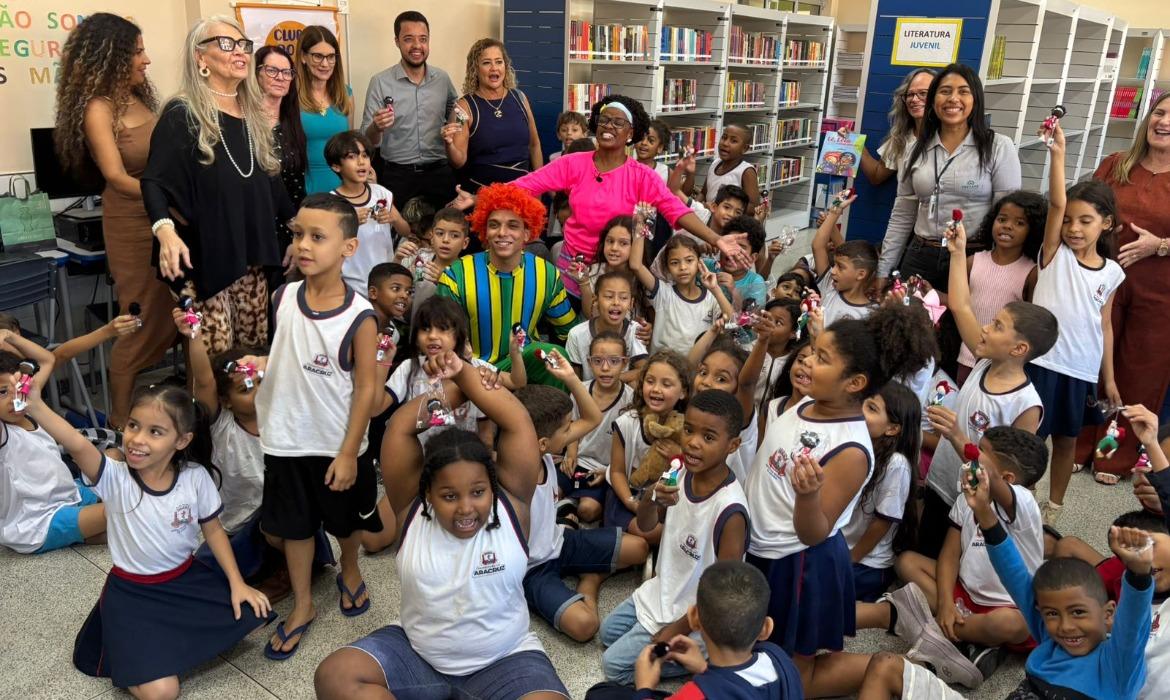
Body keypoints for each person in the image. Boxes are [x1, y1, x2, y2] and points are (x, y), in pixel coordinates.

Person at [315, 351, 569, 700]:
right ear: (429, 495)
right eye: (449, 496)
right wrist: (453, 389)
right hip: (418, 654)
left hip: (506, 658)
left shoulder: (512, 505)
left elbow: (517, 423)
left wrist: (464, 372)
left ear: (492, 488)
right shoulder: (412, 511)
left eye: (478, 492)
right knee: (335, 677)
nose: (466, 508)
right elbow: (400, 428)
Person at [26, 379, 272, 699]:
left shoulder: (195, 477)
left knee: (256, 617)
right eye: (133, 425)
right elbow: (76, 443)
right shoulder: (113, 476)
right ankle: (133, 653)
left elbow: (213, 530)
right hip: (132, 594)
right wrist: (35, 405)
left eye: (155, 432)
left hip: (185, 580)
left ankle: (163, 640)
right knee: (163, 693)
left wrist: (237, 583)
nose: (137, 439)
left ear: (182, 440)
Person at [743, 303, 926, 696]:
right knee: (764, 645)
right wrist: (821, 338)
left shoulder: (852, 450)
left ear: (854, 383)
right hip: (765, 548)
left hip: (799, 562)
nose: (807, 361)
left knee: (795, 678)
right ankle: (887, 614)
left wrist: (808, 497)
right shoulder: (811, 402)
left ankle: (899, 668)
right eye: (811, 351)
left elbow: (814, 532)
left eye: (821, 358)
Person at [251, 193, 381, 660]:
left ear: (348, 247)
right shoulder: (282, 296)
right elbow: (285, 352)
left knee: (345, 523)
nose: (304, 245)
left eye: (317, 237)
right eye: (298, 234)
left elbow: (366, 389)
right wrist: (260, 364)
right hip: (286, 439)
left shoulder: (360, 316)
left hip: (336, 443)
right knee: (295, 527)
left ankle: (349, 568)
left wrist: (349, 453)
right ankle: (303, 605)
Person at [466, 95, 752, 297]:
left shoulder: (641, 176)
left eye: (618, 123)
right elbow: (526, 184)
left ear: (631, 133)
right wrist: (480, 198)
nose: (608, 127)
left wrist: (716, 239)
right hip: (571, 268)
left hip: (615, 272)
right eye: (604, 120)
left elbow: (675, 210)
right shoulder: (574, 163)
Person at [144, 16, 294, 356]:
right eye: (226, 44)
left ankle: (241, 414)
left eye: (243, 44)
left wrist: (297, 229)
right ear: (201, 57)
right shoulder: (182, 112)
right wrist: (165, 233)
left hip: (250, 254)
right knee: (214, 358)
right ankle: (209, 413)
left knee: (250, 359)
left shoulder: (252, 111)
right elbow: (154, 181)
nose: (239, 51)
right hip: (204, 258)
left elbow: (270, 179)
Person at [54, 13, 176, 428]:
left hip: (168, 218)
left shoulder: (143, 99)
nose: (146, 60)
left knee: (180, 311)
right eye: (138, 51)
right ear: (113, 56)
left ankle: (182, 413)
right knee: (138, 319)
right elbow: (117, 177)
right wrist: (166, 199)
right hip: (133, 222)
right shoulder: (97, 108)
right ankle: (120, 421)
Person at [862, 428, 1049, 689]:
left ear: (1007, 478)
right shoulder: (967, 497)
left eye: (980, 453)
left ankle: (942, 632)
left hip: (1006, 608)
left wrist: (958, 439)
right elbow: (950, 553)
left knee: (1012, 624)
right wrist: (947, 602)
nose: (970, 458)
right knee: (906, 562)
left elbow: (995, 481)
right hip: (964, 594)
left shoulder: (1025, 504)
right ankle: (964, 637)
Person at [915, 220, 1050, 557]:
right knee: (925, 541)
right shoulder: (984, 358)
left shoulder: (1026, 405)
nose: (986, 328)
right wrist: (959, 252)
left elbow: (1013, 477)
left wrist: (959, 438)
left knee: (952, 559)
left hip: (974, 501)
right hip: (942, 481)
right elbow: (961, 305)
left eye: (998, 326)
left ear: (1019, 349)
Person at [600, 390, 750, 686]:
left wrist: (676, 629)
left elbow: (724, 593)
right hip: (662, 591)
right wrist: (652, 499)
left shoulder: (730, 511)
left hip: (694, 616)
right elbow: (644, 524)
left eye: (708, 437)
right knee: (606, 633)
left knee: (612, 666)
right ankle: (659, 643)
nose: (693, 442)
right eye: (689, 430)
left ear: (732, 445)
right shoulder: (679, 472)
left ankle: (700, 658)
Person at [963, 470, 1155, 699]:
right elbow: (1014, 575)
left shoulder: (1119, 666)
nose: (1065, 626)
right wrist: (985, 514)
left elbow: (1133, 626)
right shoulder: (1050, 638)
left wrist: (1139, 573)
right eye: (1052, 614)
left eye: (1078, 612)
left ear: (1109, 613)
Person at [1031, 124, 1126, 522]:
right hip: (1039, 363)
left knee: (1066, 440)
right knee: (1027, 439)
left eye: (1085, 221)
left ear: (1105, 223)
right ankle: (1017, 497)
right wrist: (1058, 154)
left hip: (1080, 369)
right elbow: (1055, 203)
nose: (1073, 228)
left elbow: (1103, 326)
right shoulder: (1054, 255)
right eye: (1070, 219)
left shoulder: (1112, 273)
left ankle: (1054, 506)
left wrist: (1110, 379)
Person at [516, 382, 648, 643]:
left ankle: (568, 525)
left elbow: (592, 418)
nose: (573, 430)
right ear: (543, 442)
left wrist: (569, 377)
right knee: (585, 625)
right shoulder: (518, 473)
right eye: (567, 429)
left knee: (640, 548)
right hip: (532, 569)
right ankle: (592, 578)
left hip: (561, 543)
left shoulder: (544, 456)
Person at [1083, 92, 1170, 477]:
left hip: (1160, 292)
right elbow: (1083, 208)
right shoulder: (1117, 164)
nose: (1164, 122)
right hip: (1106, 284)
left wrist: (1161, 245)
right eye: (1160, 112)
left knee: (1142, 372)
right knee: (1093, 363)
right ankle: (1082, 442)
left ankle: (1116, 454)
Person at [878, 63, 1022, 291]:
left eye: (963, 91)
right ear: (934, 100)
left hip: (973, 256)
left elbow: (1009, 216)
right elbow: (902, 214)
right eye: (945, 91)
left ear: (976, 100)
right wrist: (883, 270)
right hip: (921, 254)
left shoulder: (997, 146)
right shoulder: (914, 149)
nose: (953, 98)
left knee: (957, 324)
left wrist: (1000, 268)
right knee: (907, 322)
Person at [437, 183, 578, 374]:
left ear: (527, 234)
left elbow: (569, 332)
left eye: (512, 225)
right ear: (484, 230)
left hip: (527, 363)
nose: (502, 233)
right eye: (494, 225)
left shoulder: (546, 273)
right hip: (471, 369)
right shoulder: (456, 274)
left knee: (553, 356)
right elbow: (442, 336)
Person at [0, 340, 105, 554]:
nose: (14, 398)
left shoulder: (30, 407)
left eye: (19, 388)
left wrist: (10, 335)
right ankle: (80, 532)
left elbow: (47, 359)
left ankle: (80, 532)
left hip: (67, 493)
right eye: (2, 392)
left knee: (115, 468)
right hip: (38, 520)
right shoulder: (4, 432)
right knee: (123, 511)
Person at [362, 11, 459, 211]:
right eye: (408, 39)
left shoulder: (442, 79)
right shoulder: (380, 82)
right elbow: (367, 140)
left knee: (444, 235)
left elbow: (456, 114)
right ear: (397, 41)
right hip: (398, 176)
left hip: (439, 173)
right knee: (399, 238)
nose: (417, 46)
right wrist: (376, 127)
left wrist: (454, 127)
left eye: (423, 39)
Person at [954, 191, 1045, 385]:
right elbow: (963, 302)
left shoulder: (1031, 273)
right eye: (1002, 219)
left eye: (1020, 223)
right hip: (967, 358)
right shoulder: (973, 261)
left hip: (1002, 366)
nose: (1008, 226)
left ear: (1033, 230)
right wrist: (933, 294)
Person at [842, 382, 920, 603]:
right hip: (841, 544)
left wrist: (851, 559)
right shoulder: (856, 443)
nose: (860, 411)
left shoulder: (896, 464)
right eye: (864, 404)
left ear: (892, 429)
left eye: (872, 409)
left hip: (867, 562)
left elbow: (882, 522)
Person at [607, 351, 692, 543]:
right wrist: (632, 503)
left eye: (666, 384)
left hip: (667, 499)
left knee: (676, 531)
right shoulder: (626, 423)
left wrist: (680, 455)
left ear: (683, 392)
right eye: (650, 381)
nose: (656, 389)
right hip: (627, 496)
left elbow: (695, 469)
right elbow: (617, 472)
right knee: (656, 533)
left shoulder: (687, 427)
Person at [443, 38, 543, 194]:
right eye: (486, 63)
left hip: (523, 194)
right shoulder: (463, 108)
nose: (494, 68)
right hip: (482, 196)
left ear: (506, 66)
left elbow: (534, 145)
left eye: (498, 62)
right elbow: (459, 161)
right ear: (475, 68)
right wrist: (449, 144)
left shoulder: (520, 98)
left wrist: (540, 187)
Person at [562, 331, 636, 524]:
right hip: (578, 461)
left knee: (588, 510)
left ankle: (571, 507)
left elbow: (630, 449)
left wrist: (608, 471)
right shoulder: (580, 390)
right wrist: (570, 454)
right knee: (550, 489)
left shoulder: (631, 400)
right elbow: (572, 428)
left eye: (614, 361)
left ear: (625, 362)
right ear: (589, 361)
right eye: (597, 361)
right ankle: (567, 506)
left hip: (605, 470)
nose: (605, 368)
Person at [326, 130, 410, 296]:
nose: (361, 162)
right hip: (350, 284)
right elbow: (327, 243)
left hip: (385, 280)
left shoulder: (381, 193)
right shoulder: (332, 202)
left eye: (365, 156)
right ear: (336, 166)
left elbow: (406, 230)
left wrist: (393, 218)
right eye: (352, 157)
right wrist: (349, 221)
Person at [255, 45, 308, 280]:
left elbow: (297, 185)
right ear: (255, 74)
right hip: (255, 230)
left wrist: (296, 237)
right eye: (272, 71)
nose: (281, 78)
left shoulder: (292, 123)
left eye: (287, 72)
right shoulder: (242, 124)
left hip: (288, 230)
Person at [629, 234, 733, 354]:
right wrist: (640, 226)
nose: (682, 267)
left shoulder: (711, 298)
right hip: (662, 368)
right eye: (674, 263)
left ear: (699, 263)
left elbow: (731, 322)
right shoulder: (662, 293)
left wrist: (715, 289)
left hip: (694, 369)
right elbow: (636, 265)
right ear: (667, 268)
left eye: (689, 260)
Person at [853, 68, 937, 186]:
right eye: (910, 94)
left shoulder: (951, 138)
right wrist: (855, 143)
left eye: (923, 93)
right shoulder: (900, 139)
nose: (914, 99)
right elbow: (876, 176)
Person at [296, 26, 352, 194]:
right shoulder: (289, 96)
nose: (325, 63)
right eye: (318, 56)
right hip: (304, 186)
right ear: (303, 57)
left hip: (342, 185)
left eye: (330, 57)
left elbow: (349, 144)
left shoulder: (346, 94)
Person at [566, 271, 649, 382]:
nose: (616, 302)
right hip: (588, 393)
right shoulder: (576, 334)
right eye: (609, 296)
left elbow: (643, 370)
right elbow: (574, 379)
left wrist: (610, 380)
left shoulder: (635, 330)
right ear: (595, 301)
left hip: (621, 389)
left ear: (631, 303)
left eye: (623, 297)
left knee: (635, 384)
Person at [812, 192, 878, 325]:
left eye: (840, 267)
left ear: (861, 274)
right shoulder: (829, 287)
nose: (832, 271)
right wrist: (835, 210)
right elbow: (817, 245)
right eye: (834, 265)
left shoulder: (872, 314)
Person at [395, 206, 472, 313]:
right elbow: (399, 286)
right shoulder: (422, 260)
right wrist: (398, 259)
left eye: (454, 236)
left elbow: (469, 306)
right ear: (432, 237)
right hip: (418, 326)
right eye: (440, 233)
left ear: (465, 243)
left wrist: (444, 282)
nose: (445, 240)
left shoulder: (467, 271)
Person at [701, 124, 760, 208]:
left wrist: (722, 209)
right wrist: (693, 207)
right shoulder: (715, 163)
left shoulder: (746, 171)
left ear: (744, 149)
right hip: (708, 218)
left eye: (733, 141)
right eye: (724, 137)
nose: (725, 143)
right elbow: (703, 193)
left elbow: (753, 206)